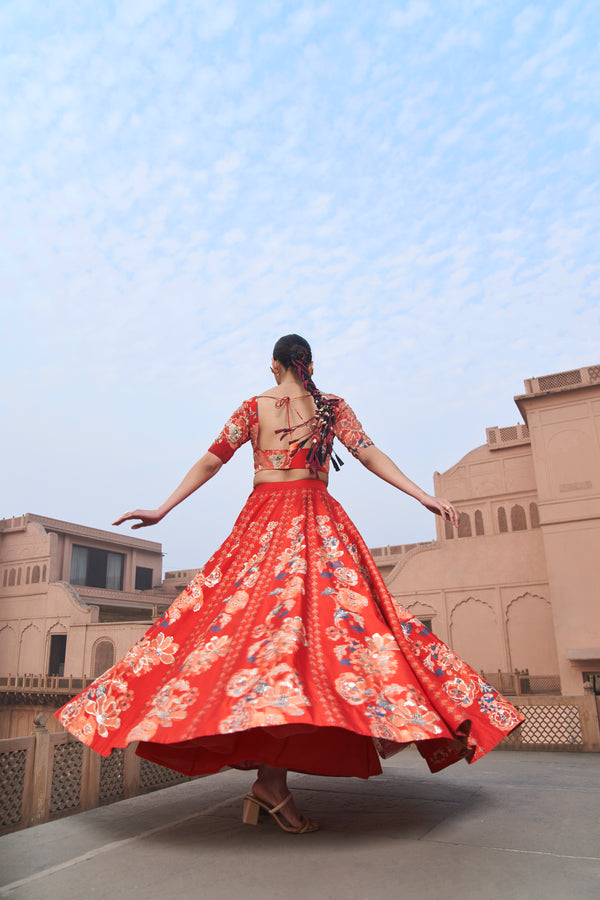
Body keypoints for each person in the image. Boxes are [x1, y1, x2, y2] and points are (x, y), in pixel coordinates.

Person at [56, 334, 522, 834]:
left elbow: (212, 460)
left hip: (261, 529)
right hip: (318, 524)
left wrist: (162, 508)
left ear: (273, 366)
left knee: (225, 637)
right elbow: (369, 455)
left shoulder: (253, 409)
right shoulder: (329, 407)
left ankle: (270, 784)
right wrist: (422, 496)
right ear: (311, 364)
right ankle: (271, 785)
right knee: (347, 639)